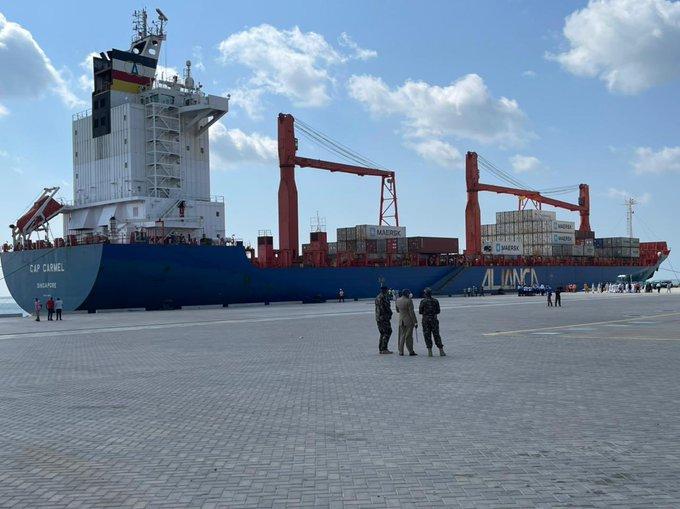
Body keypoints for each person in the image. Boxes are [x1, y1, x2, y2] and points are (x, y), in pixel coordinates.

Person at [419, 287, 445, 357]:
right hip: (434, 319)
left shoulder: (423, 301)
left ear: (425, 294)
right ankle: (441, 350)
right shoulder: (435, 301)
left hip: (425, 320)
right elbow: (438, 311)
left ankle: (430, 351)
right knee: (436, 334)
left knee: (427, 335)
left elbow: (420, 311)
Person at [396, 288, 418, 356]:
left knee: (401, 336)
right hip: (408, 321)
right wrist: (415, 322)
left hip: (401, 321)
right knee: (408, 337)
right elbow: (411, 313)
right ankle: (411, 351)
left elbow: (397, 310)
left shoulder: (397, 300)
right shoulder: (409, 301)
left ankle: (400, 351)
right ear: (407, 294)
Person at [375, 285, 393, 354]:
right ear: (386, 290)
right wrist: (390, 314)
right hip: (384, 318)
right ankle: (384, 348)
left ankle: (381, 349)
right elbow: (386, 308)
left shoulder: (377, 297)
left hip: (378, 318)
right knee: (388, 331)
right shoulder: (384, 297)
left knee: (382, 333)